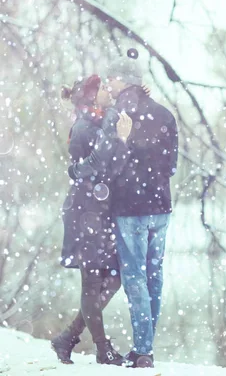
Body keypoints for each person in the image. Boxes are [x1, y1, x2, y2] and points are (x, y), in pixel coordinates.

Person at [51, 75, 133, 366]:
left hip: (100, 210)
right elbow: (88, 169)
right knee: (92, 280)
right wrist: (114, 143)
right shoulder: (84, 126)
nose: (108, 92)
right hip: (84, 210)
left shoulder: (104, 122)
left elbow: (115, 168)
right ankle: (102, 349)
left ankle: (69, 337)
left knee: (116, 277)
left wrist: (119, 140)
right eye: (101, 89)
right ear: (90, 96)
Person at [104, 48, 178, 368]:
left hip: (129, 207)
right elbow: (171, 166)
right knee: (153, 275)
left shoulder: (117, 116)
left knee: (134, 277)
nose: (107, 85)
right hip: (160, 207)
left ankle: (143, 350)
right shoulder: (165, 114)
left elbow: (112, 168)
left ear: (122, 81)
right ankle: (145, 346)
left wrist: (122, 146)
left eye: (110, 79)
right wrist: (154, 181)